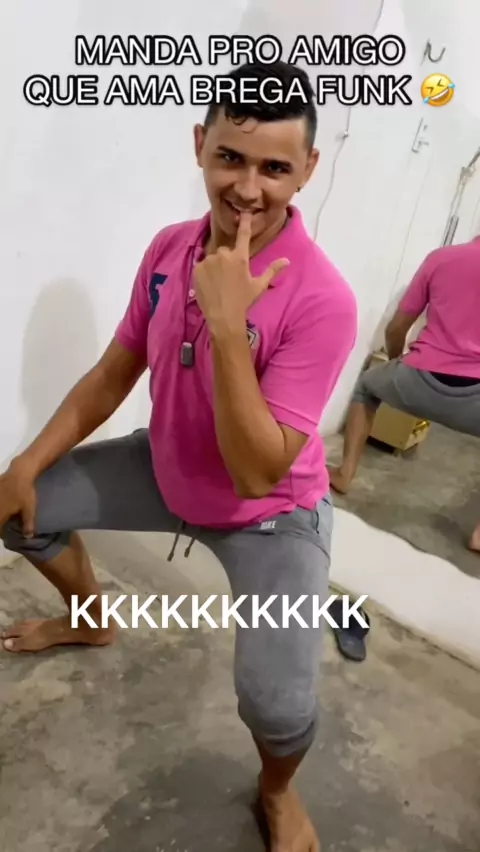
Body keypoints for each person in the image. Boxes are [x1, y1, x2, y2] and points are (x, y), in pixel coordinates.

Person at [0, 60, 357, 851]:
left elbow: (257, 472)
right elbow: (113, 372)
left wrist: (228, 326)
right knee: (19, 509)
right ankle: (91, 621)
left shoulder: (323, 299)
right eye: (230, 157)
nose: (248, 188)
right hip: (165, 469)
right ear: (200, 145)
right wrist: (24, 463)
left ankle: (276, 791)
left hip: (270, 514)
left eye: (274, 168)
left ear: (308, 169)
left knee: (276, 705)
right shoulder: (168, 249)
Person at [328, 234, 480, 550]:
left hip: (417, 380)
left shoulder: (441, 258)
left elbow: (397, 328)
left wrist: (398, 364)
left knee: (367, 385)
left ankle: (344, 474)